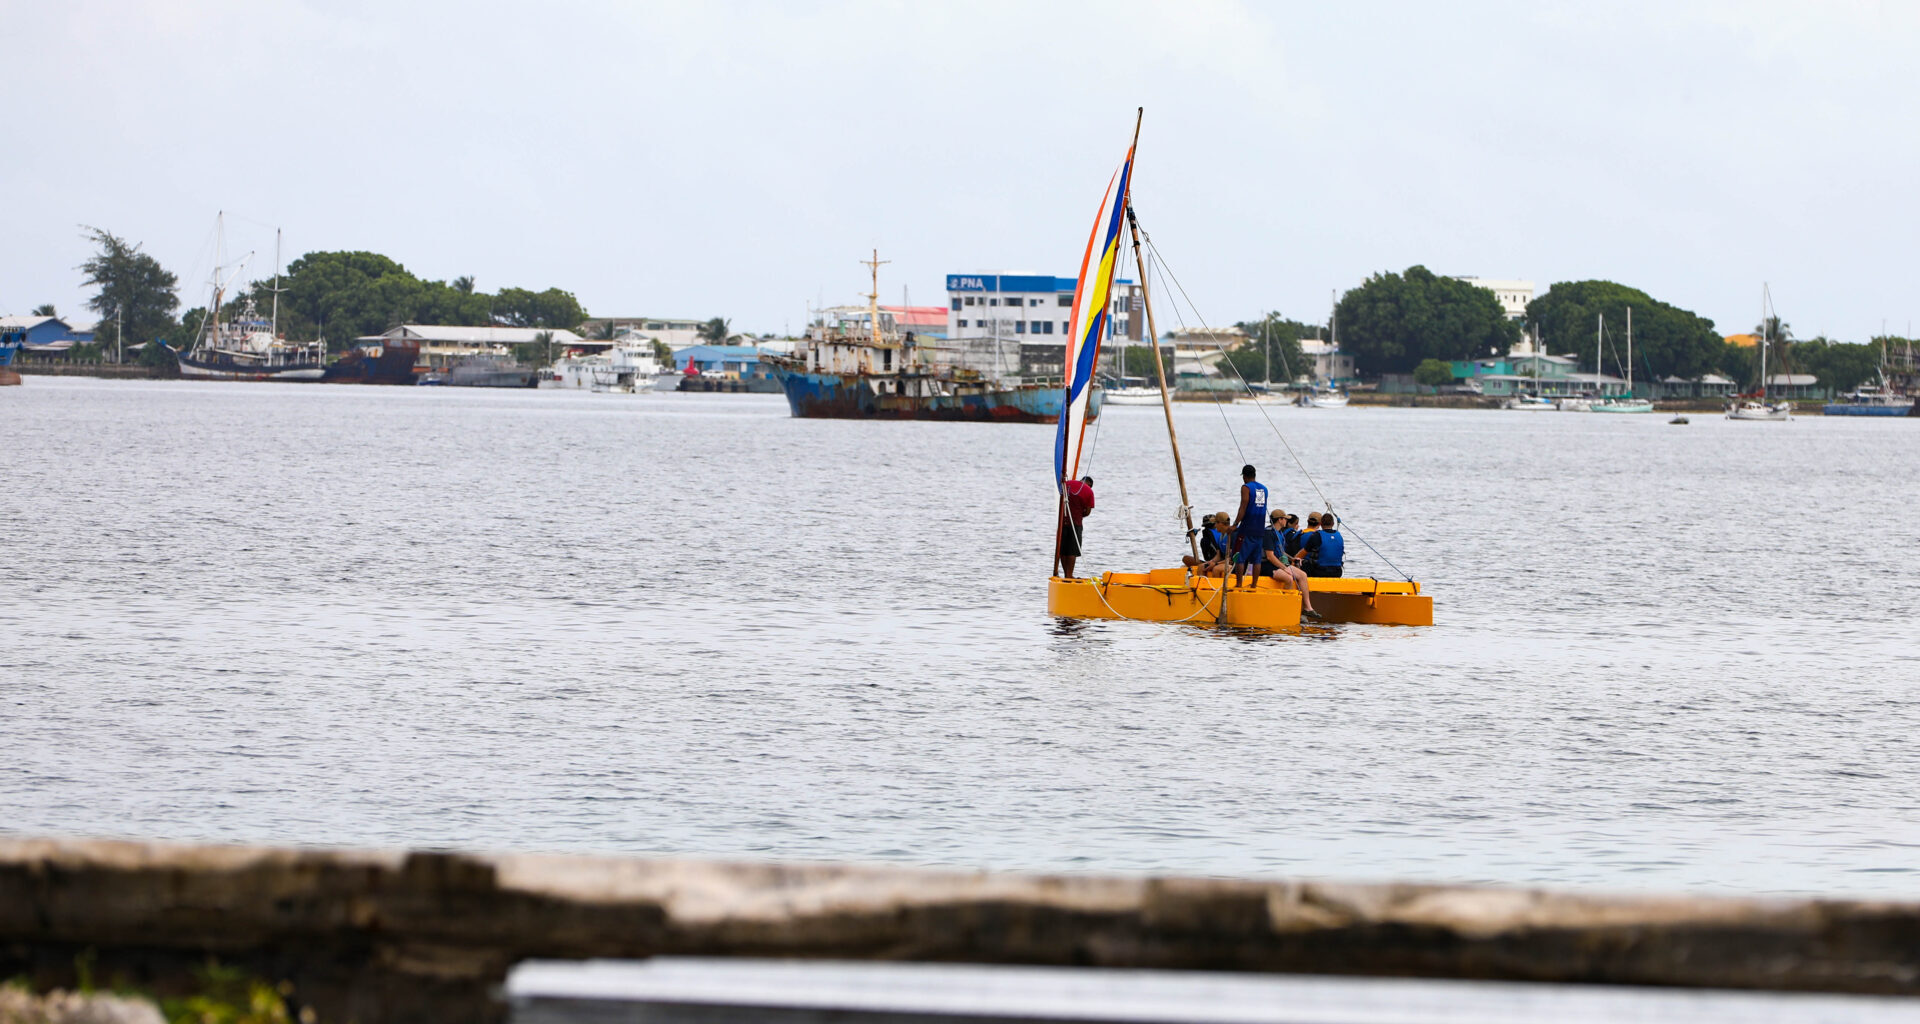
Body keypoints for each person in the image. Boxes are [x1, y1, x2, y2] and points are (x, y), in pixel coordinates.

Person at [1263, 509, 1321, 619]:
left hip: (1280, 563)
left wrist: (1292, 559)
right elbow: (1270, 556)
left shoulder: (1279, 532)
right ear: (1280, 520)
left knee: (1302, 575)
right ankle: (1286, 608)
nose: (1286, 521)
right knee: (1289, 578)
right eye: (1285, 519)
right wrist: (1284, 568)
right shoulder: (1269, 533)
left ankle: (1308, 608)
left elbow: (1282, 552)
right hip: (1268, 565)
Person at [1228, 465, 1268, 589]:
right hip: (1260, 527)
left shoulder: (1246, 487)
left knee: (1240, 557)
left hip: (1247, 527)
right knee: (1256, 559)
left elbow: (1243, 506)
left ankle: (1239, 584)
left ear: (1244, 476)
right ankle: (1254, 585)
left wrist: (1235, 524)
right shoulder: (1264, 488)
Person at [1058, 476, 1095, 578]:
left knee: (1062, 549)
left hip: (1062, 521)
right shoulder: (1089, 491)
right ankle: (1069, 575)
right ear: (1090, 485)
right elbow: (1087, 512)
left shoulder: (1067, 484)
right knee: (1072, 550)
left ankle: (1066, 574)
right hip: (1076, 523)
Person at [1181, 513, 1231, 577]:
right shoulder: (1221, 534)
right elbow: (1218, 555)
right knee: (1188, 561)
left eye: (1217, 523)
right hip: (1217, 561)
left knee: (1186, 559)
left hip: (1224, 563)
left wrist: (1215, 563)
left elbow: (1231, 559)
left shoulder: (1209, 537)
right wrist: (1211, 562)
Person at [1300, 511, 1345, 578]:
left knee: (1301, 561)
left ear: (1320, 524)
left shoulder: (1316, 536)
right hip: (1337, 572)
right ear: (1333, 524)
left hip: (1320, 571)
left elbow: (1301, 554)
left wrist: (1294, 561)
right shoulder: (1339, 536)